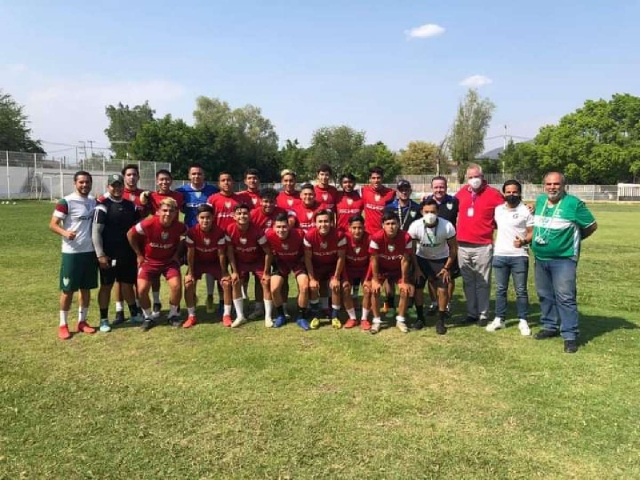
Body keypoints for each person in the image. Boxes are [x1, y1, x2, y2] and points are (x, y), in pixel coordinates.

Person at [531, 172, 597, 353]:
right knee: (545, 295)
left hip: (564, 259)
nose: (552, 187)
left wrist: (574, 240)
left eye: (556, 184)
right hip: (540, 257)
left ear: (563, 185)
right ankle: (549, 326)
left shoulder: (574, 204)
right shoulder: (540, 201)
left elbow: (591, 225)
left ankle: (569, 335)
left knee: (565, 297)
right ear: (544, 185)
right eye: (549, 184)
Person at [49, 171, 98, 340]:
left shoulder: (93, 201)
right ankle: (63, 324)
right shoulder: (66, 202)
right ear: (75, 183)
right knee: (68, 290)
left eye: (87, 182)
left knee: (86, 289)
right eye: (81, 182)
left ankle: (82, 322)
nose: (85, 185)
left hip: (90, 252)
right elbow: (53, 224)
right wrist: (65, 232)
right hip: (72, 253)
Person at [127, 197, 187, 331]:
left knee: (176, 286)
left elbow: (185, 236)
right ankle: (148, 317)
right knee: (141, 290)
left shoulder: (179, 226)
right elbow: (130, 234)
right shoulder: (148, 223)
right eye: (165, 210)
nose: (167, 214)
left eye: (171, 211)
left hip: (169, 262)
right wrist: (139, 254)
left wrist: (177, 254)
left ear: (176, 212)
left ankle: (172, 315)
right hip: (149, 262)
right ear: (159, 211)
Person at [455, 163, 504, 326]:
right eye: (470, 177)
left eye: (476, 176)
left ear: (482, 177)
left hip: (483, 244)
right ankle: (471, 312)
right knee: (468, 281)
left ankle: (483, 314)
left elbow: (506, 214)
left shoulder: (494, 194)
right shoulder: (461, 193)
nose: (473, 180)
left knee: (483, 281)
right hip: (462, 244)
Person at [92, 174, 140, 333]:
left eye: (119, 185)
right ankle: (104, 319)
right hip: (108, 255)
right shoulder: (102, 206)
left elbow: (137, 229)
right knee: (107, 286)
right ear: (108, 187)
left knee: (127, 283)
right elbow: (96, 232)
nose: (117, 188)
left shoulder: (130, 205)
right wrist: (100, 254)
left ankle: (134, 313)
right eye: (113, 185)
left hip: (127, 253)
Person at [485, 180, 534, 336]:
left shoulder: (526, 210)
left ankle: (523, 320)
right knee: (500, 290)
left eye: (515, 192)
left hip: (519, 256)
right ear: (504, 193)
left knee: (521, 290)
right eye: (508, 192)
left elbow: (532, 232)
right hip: (500, 255)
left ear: (520, 193)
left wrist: (524, 241)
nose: (511, 195)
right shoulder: (498, 209)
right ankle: (500, 318)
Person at [176, 163, 220, 314]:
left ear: (204, 175)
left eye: (199, 173)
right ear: (189, 176)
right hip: (191, 236)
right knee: (191, 267)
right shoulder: (181, 191)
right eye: (193, 174)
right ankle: (191, 298)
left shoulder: (213, 190)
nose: (196, 176)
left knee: (210, 268)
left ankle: (209, 296)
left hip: (210, 235)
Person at [408, 199, 458, 335]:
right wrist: (417, 268)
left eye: (433, 212)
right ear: (421, 212)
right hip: (422, 259)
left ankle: (441, 320)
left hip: (441, 260)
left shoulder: (447, 226)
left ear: (438, 212)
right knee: (418, 288)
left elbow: (454, 248)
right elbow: (411, 250)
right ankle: (420, 318)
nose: (430, 214)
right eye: (427, 212)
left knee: (442, 289)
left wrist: (447, 268)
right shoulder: (415, 226)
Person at [140, 169, 185, 317]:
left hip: (172, 238)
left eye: (167, 179)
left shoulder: (178, 196)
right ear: (157, 181)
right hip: (154, 238)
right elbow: (143, 212)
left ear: (171, 181)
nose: (164, 182)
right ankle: (157, 301)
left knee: (174, 281)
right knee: (153, 278)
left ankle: (173, 310)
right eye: (161, 179)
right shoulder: (151, 196)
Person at [183, 204, 232, 328]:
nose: (205, 220)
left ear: (213, 218)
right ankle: (191, 315)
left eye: (208, 217)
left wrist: (224, 272)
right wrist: (190, 272)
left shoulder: (220, 232)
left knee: (226, 283)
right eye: (202, 217)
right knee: (188, 283)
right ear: (197, 218)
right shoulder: (191, 232)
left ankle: (226, 315)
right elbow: (190, 254)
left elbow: (221, 254)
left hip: (214, 262)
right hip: (198, 262)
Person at [225, 204, 272, 328]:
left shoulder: (257, 230)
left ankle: (268, 316)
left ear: (250, 215)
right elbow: (230, 252)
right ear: (234, 216)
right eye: (239, 214)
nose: (242, 216)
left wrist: (266, 272)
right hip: (241, 261)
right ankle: (240, 316)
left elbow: (268, 252)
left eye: (245, 213)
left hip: (258, 260)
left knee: (265, 282)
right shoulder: (229, 229)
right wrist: (234, 271)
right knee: (235, 281)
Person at [367, 211, 414, 334]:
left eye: (394, 223)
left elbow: (405, 260)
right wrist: (376, 280)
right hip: (381, 268)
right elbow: (374, 260)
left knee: (404, 290)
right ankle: (376, 321)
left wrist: (404, 281)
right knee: (375, 290)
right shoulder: (376, 237)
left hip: (398, 269)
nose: (391, 226)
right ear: (383, 225)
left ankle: (400, 320)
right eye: (388, 223)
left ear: (398, 224)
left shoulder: (406, 237)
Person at [264, 213, 311, 329]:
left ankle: (301, 317)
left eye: (284, 226)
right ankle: (281, 315)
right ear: (273, 227)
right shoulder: (268, 235)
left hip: (297, 262)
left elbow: (307, 251)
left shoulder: (300, 234)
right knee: (274, 288)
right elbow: (268, 254)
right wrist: (265, 272)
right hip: (281, 263)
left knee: (304, 287)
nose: (281, 230)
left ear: (289, 226)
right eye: (278, 227)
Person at [423, 175, 460, 315]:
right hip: (430, 245)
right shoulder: (426, 202)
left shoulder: (454, 201)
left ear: (446, 187)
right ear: (432, 188)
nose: (439, 189)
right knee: (431, 276)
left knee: (448, 276)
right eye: (436, 187)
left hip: (449, 247)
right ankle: (434, 303)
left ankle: (447, 304)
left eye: (442, 187)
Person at [382, 179, 421, 312]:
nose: (404, 192)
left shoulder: (416, 207)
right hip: (392, 243)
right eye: (401, 189)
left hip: (410, 244)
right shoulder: (389, 207)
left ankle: (408, 304)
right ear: (397, 192)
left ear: (410, 190)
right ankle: (389, 302)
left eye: (406, 189)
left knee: (408, 274)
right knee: (389, 276)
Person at [304, 209, 347, 329]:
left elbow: (341, 257)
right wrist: (312, 278)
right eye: (320, 221)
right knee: (313, 287)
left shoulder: (339, 235)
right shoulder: (309, 235)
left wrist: (336, 277)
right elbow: (308, 259)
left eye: (326, 221)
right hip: (316, 266)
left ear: (331, 222)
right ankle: (316, 315)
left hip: (332, 267)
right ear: (315, 223)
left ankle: (334, 316)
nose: (323, 224)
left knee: (336, 286)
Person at [342, 215, 372, 330]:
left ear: (364, 227)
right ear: (349, 228)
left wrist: (368, 279)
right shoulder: (344, 238)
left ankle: (364, 319)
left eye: (360, 228)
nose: (357, 231)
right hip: (349, 269)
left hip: (364, 269)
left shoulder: (369, 238)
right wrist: (344, 278)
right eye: (354, 228)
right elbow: (341, 260)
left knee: (367, 289)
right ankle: (352, 318)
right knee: (345, 289)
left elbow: (372, 260)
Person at [361, 166, 395, 236]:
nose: (376, 180)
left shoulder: (390, 193)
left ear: (382, 178)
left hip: (384, 233)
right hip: (368, 233)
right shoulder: (364, 190)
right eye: (373, 178)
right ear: (369, 179)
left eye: (378, 178)